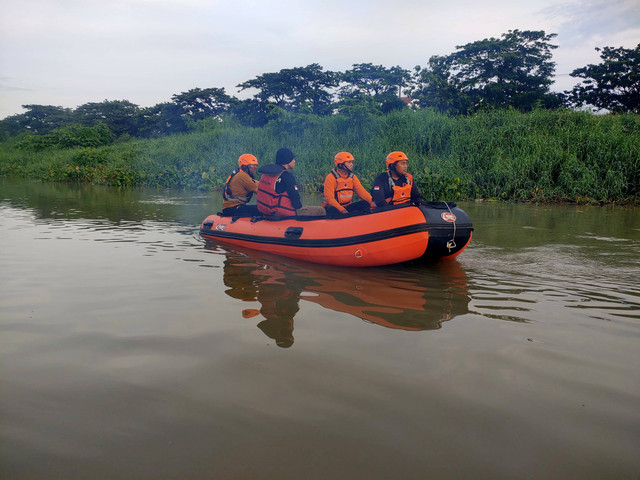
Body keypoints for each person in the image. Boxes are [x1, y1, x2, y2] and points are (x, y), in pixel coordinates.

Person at [256, 147, 325, 217]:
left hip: (265, 211)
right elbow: (296, 204)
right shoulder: (287, 176)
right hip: (281, 212)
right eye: (293, 159)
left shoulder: (266, 174)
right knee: (321, 210)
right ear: (288, 161)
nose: (294, 161)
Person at [322, 152, 377, 216]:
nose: (352, 165)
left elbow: (362, 192)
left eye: (351, 162)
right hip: (334, 208)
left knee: (365, 203)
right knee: (332, 210)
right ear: (341, 164)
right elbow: (330, 199)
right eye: (349, 162)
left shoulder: (352, 177)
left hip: (347, 207)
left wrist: (371, 202)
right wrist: (342, 210)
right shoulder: (330, 178)